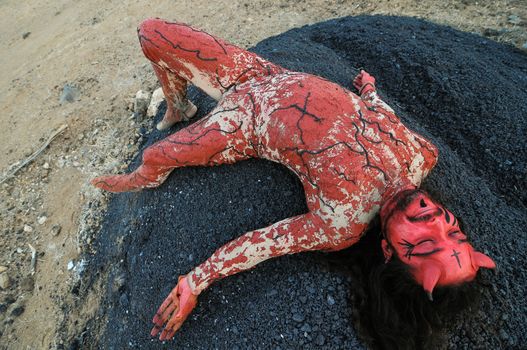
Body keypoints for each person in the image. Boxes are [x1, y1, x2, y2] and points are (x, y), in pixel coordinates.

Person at [91, 18, 496, 344]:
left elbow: (262, 243)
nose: (434, 217)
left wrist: (196, 281)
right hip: (263, 75)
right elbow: (383, 119)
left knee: (155, 156)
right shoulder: (423, 155)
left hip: (243, 123)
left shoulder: (342, 222)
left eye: (424, 242)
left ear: (389, 252)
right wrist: (369, 91)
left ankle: (147, 177)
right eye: (452, 229)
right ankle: (178, 105)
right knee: (151, 33)